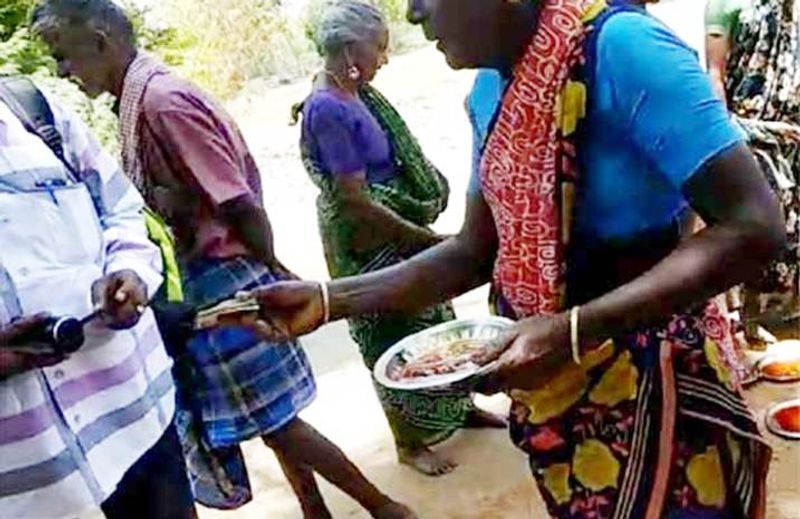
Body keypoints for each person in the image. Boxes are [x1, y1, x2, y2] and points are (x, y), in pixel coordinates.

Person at [248, 0, 786, 517]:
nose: (412, 12)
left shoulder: (626, 50)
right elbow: (473, 252)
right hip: (555, 400)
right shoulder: (491, 89)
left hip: (659, 388)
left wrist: (571, 331)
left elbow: (753, 226)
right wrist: (328, 300)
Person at [31, 2, 416, 518]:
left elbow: (236, 201)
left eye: (63, 56)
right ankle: (316, 510)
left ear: (100, 42)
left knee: (276, 421)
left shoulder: (161, 104)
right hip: (216, 270)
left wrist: (272, 266)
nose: (62, 72)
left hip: (224, 274)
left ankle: (385, 508)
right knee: (268, 418)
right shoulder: (142, 100)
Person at [295, 0, 505, 477]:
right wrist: (421, 240)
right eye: (380, 48)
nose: (384, 59)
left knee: (434, 316)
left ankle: (460, 405)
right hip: (367, 237)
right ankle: (409, 442)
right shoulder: (328, 107)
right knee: (390, 333)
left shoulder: (353, 93)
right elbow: (355, 200)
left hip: (392, 222)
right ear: (352, 49)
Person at [0, 79, 195, 518]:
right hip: (27, 493)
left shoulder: (36, 113)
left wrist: (128, 273)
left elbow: (122, 210)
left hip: (137, 423)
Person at [706, 0, 799, 344]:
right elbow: (715, 73)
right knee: (755, 224)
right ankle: (745, 322)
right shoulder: (726, 5)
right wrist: (724, 134)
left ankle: (779, 317)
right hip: (752, 132)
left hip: (794, 132)